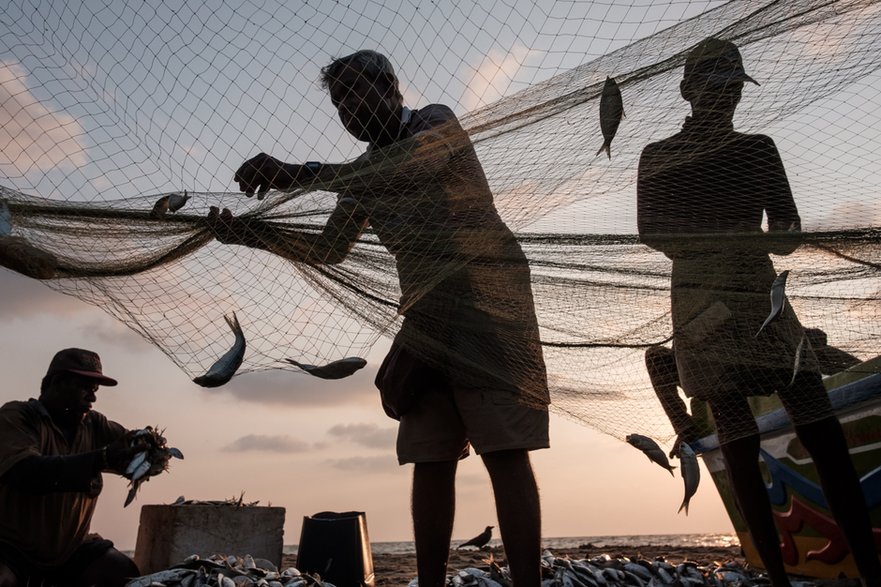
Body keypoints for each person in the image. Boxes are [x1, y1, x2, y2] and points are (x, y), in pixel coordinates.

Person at [206, 50, 549, 587]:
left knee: (504, 449)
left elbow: (412, 164)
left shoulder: (436, 122)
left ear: (389, 86)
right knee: (429, 453)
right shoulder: (360, 176)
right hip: (426, 319)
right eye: (338, 100)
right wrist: (253, 235)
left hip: (492, 308)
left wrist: (301, 173)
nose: (346, 108)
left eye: (354, 92)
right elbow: (330, 249)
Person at [636, 38, 881, 587]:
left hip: (723, 299)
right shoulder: (735, 151)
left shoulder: (725, 151)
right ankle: (828, 574)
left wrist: (717, 244)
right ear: (688, 91)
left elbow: (662, 235)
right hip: (730, 298)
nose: (724, 98)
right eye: (716, 87)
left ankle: (822, 574)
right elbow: (783, 238)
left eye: (729, 89)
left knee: (782, 435)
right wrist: (740, 241)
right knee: (774, 438)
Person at [0, 348, 144, 587]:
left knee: (124, 572)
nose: (93, 397)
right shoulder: (16, 417)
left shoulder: (94, 424)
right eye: (84, 388)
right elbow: (26, 472)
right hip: (11, 549)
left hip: (71, 550)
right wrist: (103, 458)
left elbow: (131, 447)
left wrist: (150, 452)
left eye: (95, 390)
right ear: (57, 383)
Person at [646, 328, 863, 455]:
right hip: (713, 366)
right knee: (655, 356)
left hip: (763, 352)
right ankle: (686, 429)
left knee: (810, 344)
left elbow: (816, 337)